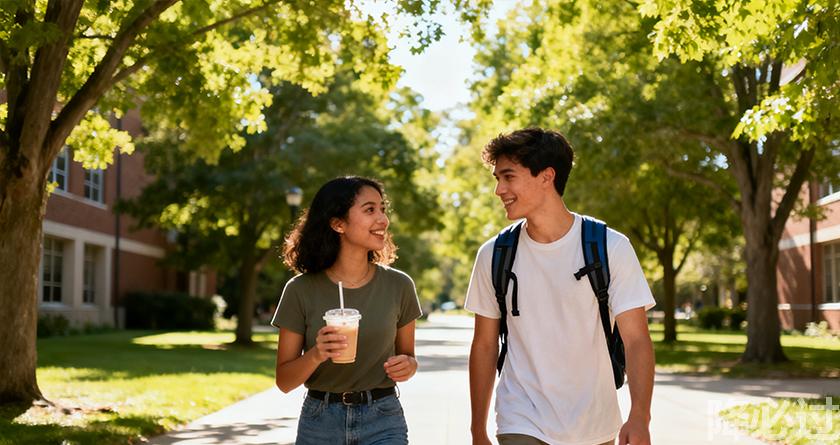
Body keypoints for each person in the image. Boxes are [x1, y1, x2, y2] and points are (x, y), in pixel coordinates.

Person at [465, 128, 656, 445]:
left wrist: (639, 417)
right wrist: (477, 431)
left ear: (546, 176)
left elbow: (636, 339)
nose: (499, 190)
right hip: (520, 416)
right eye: (497, 178)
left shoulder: (609, 247)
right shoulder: (495, 255)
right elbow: (484, 345)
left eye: (508, 177)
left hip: (594, 421)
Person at [272, 176, 422, 445]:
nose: (383, 219)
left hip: (383, 417)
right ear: (338, 224)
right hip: (320, 421)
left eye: (382, 209)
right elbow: (284, 381)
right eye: (369, 210)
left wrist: (408, 366)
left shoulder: (399, 285)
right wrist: (317, 354)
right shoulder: (300, 290)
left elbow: (408, 357)